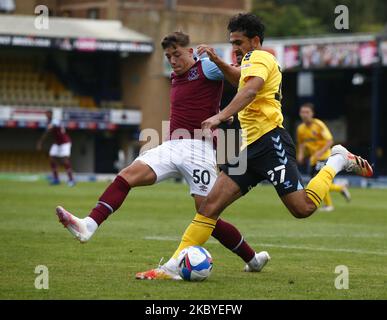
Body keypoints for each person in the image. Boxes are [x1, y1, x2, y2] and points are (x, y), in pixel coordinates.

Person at [55, 31, 270, 280]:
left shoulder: (207, 67)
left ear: (190, 52)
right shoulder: (174, 75)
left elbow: (241, 79)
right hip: (171, 144)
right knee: (127, 176)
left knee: (207, 214)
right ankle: (88, 226)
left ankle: (252, 259)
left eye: (177, 54)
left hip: (200, 150)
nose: (173, 60)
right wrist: (221, 111)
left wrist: (220, 72)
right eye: (168, 56)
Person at [166, 13, 373, 264]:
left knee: (303, 208)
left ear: (255, 41)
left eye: (238, 43)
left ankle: (337, 161)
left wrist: (220, 116)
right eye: (232, 43)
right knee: (209, 207)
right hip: (250, 148)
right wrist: (218, 60)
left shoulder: (260, 57)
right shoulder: (251, 63)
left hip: (270, 142)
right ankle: (173, 264)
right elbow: (241, 81)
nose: (235, 49)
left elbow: (250, 90)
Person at [297, 103, 351, 211]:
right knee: (317, 182)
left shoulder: (318, 125)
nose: (304, 114)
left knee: (318, 182)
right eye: (302, 112)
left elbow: (330, 140)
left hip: (324, 157)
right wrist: (300, 154)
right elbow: (302, 143)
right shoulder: (301, 129)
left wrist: (319, 153)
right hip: (313, 159)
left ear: (312, 113)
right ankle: (339, 190)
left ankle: (330, 204)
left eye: (307, 112)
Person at [37, 110, 75, 187]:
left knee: (65, 160)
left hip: (65, 142)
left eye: (48, 113)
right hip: (57, 143)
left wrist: (40, 141)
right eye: (46, 114)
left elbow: (48, 131)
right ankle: (56, 179)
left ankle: (71, 180)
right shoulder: (49, 122)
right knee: (51, 158)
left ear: (51, 114)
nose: (46, 115)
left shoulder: (55, 121)